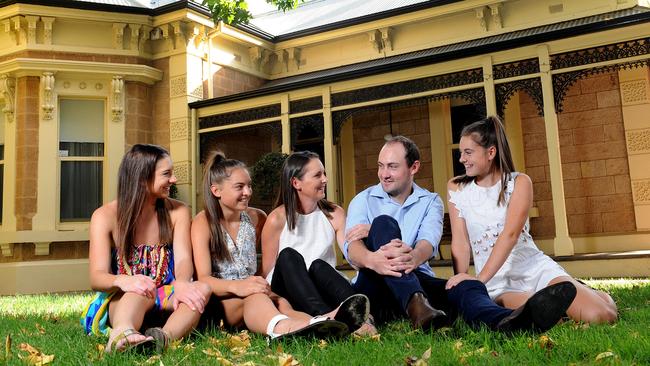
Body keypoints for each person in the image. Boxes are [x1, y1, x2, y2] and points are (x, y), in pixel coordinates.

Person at [445, 116, 617, 327]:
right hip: (499, 282)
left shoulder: (519, 182)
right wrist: (465, 283)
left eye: (468, 152)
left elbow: (510, 235)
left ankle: (593, 294)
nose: (461, 159)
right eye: (461, 153)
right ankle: (567, 301)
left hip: (533, 267)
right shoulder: (457, 188)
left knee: (603, 317)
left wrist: (478, 278)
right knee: (546, 321)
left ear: (491, 152)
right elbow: (460, 242)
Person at [191, 152, 360, 340]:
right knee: (283, 264)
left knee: (286, 300)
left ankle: (323, 323)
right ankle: (299, 325)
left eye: (249, 186)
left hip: (262, 289)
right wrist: (243, 286)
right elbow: (204, 279)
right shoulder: (204, 222)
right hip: (229, 297)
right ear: (216, 191)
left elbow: (264, 270)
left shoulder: (257, 218)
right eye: (240, 187)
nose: (248, 192)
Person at [81, 144, 211, 353]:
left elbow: (183, 258)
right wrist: (125, 281)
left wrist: (182, 282)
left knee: (202, 289)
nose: (174, 180)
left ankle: (161, 338)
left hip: (166, 295)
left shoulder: (178, 211)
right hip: (124, 300)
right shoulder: (104, 216)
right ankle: (123, 333)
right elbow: (97, 278)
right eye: (166, 174)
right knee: (140, 290)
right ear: (142, 178)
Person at [344, 135, 451, 331]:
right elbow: (352, 248)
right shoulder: (362, 200)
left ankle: (505, 321)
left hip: (418, 276)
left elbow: (428, 243)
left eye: (392, 166)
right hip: (374, 288)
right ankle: (416, 304)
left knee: (466, 287)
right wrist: (372, 258)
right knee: (384, 222)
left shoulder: (431, 201)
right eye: (380, 166)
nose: (384, 174)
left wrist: (412, 257)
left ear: (414, 167)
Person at [261, 151, 372, 334]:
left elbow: (351, 253)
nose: (325, 180)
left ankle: (364, 317)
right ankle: (323, 319)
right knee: (288, 255)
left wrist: (369, 251)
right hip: (289, 291)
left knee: (319, 265)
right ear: (296, 183)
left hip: (320, 288)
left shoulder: (334, 213)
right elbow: (268, 272)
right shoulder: (276, 219)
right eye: (317, 175)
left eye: (324, 174)